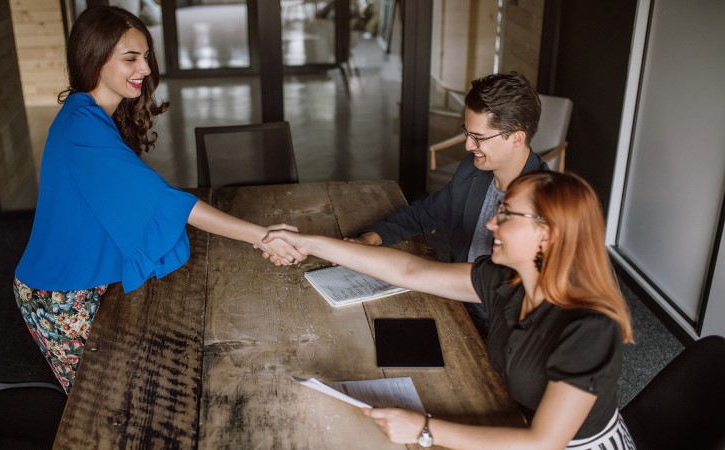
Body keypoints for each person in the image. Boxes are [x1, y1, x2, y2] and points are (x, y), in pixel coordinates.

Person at [13, 6, 304, 393]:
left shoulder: (94, 114)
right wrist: (259, 235)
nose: (146, 68)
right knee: (105, 404)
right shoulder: (82, 126)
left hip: (87, 278)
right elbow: (160, 200)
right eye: (131, 57)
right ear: (94, 58)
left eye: (146, 56)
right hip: (62, 292)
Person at [264, 171, 635, 449]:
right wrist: (308, 243)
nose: (492, 223)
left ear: (548, 234)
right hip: (516, 424)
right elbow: (411, 271)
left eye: (506, 214)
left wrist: (424, 430)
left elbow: (543, 443)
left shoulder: (589, 328)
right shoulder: (508, 280)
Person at [350, 72, 550, 339]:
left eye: (478, 137)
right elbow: (428, 212)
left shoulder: (547, 204)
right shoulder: (473, 169)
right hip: (458, 304)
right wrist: (371, 238)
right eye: (467, 133)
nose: (468, 146)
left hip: (507, 330)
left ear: (516, 138)